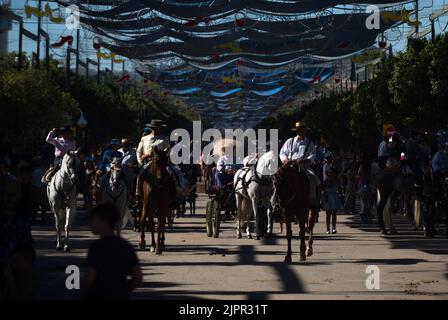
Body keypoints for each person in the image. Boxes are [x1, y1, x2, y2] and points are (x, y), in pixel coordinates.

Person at [82, 203, 142, 300]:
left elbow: (89, 278)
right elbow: (138, 278)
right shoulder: (127, 247)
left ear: (104, 221)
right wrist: (123, 290)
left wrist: (83, 293)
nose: (91, 223)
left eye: (94, 220)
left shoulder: (96, 248)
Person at [0, 175, 38, 299]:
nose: (9, 200)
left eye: (13, 195)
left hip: (17, 262)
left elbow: (27, 244)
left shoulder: (23, 216)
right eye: (6, 195)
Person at [279, 122, 320, 209]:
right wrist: (285, 159)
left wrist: (307, 160)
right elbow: (282, 153)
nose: (300, 132)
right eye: (298, 130)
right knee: (276, 177)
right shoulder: (289, 141)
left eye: (302, 130)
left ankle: (313, 202)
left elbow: (313, 154)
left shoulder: (309, 143)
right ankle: (276, 201)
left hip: (304, 165)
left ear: (305, 131)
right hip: (289, 165)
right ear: (296, 131)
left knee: (313, 179)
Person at [135, 120, 171, 199]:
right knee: (139, 175)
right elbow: (138, 151)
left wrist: (161, 157)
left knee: (172, 173)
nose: (156, 129)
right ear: (151, 128)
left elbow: (168, 150)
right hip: (147, 162)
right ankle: (138, 193)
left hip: (161, 162)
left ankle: (175, 193)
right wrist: (140, 162)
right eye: (154, 128)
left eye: (158, 128)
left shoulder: (164, 138)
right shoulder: (144, 138)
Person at [322, 168, 342, 234]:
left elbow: (339, 190)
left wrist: (340, 196)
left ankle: (334, 228)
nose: (331, 174)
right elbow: (322, 188)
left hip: (335, 198)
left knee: (334, 213)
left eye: (332, 172)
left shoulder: (337, 181)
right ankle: (327, 229)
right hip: (327, 198)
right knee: (328, 214)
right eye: (330, 172)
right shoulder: (326, 181)